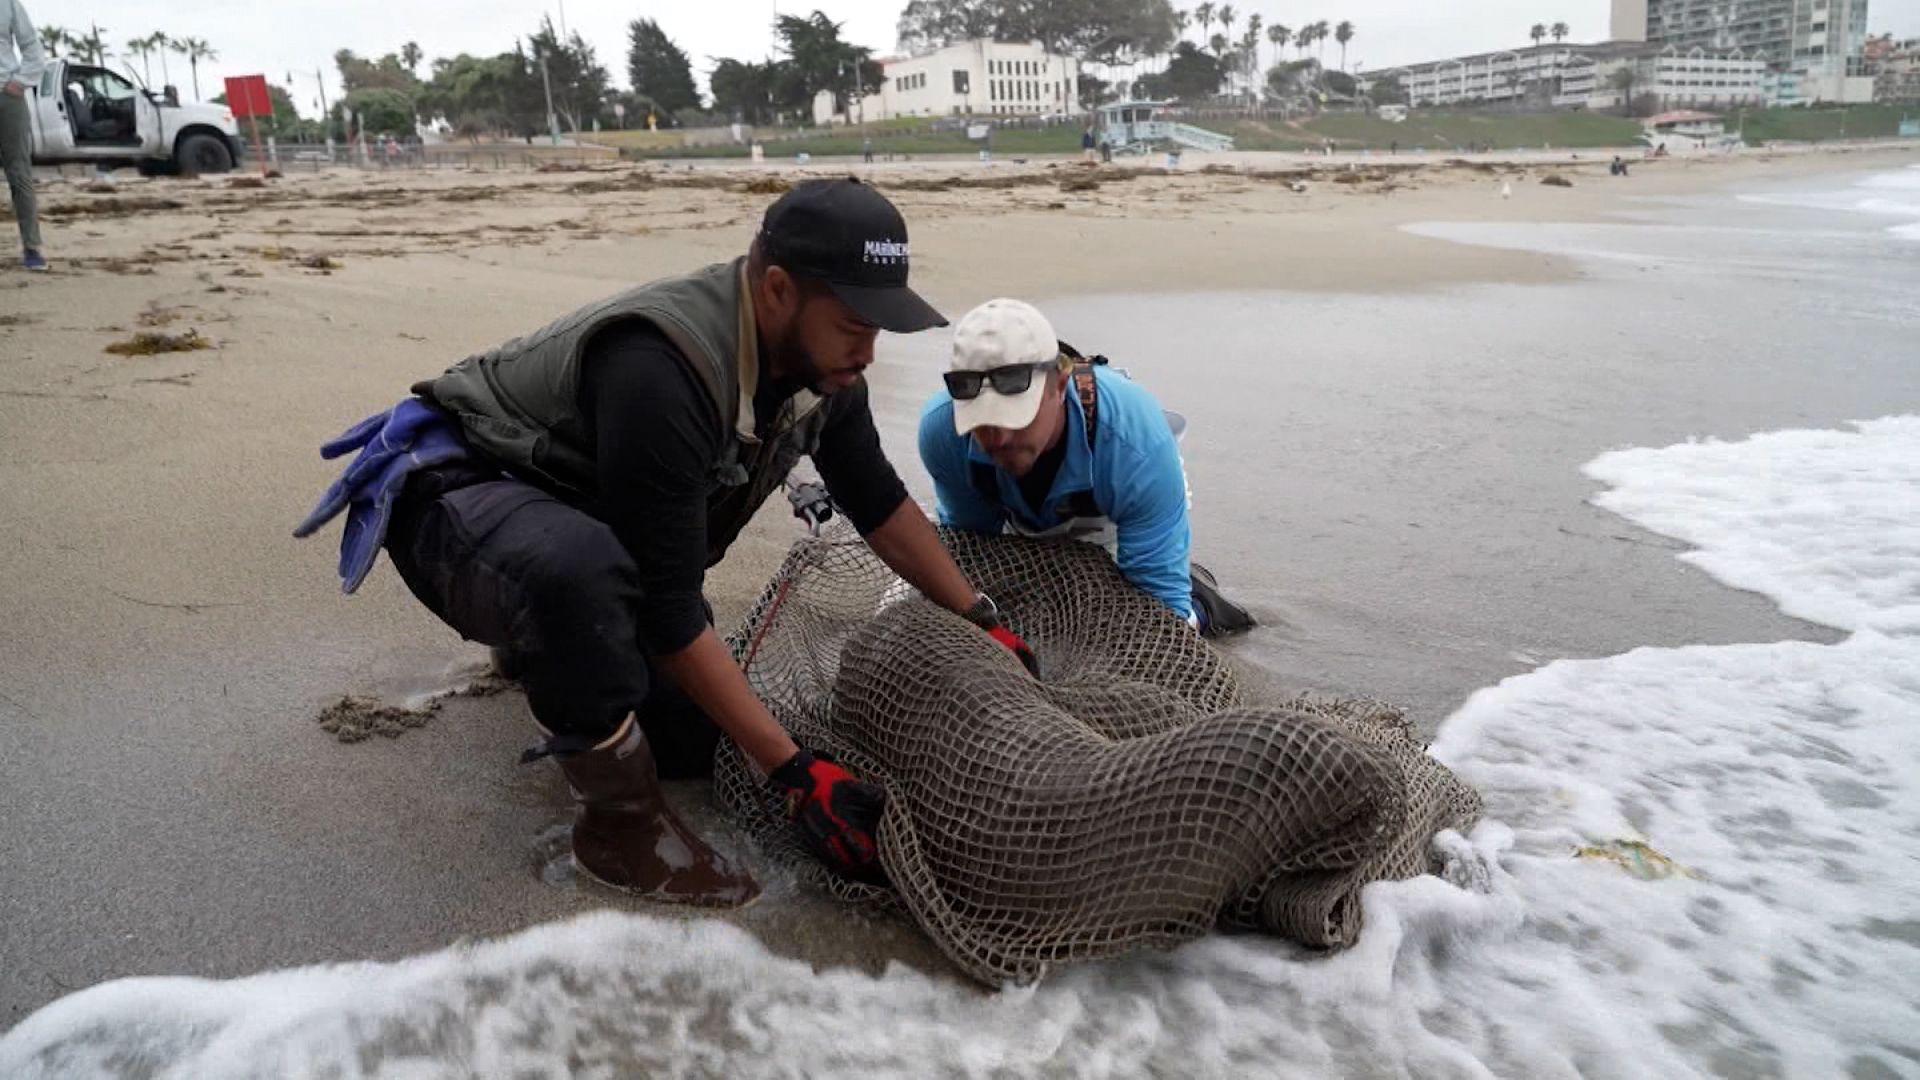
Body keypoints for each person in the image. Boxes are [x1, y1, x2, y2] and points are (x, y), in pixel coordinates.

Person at [295, 179, 1037, 907]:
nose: (868, 350)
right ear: (778, 290)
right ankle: (619, 833)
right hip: (453, 498)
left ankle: (549, 654)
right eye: (854, 324)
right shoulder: (663, 369)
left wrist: (980, 619)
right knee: (583, 577)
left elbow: (875, 499)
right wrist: (795, 774)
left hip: (566, 510)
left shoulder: (825, 372)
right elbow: (671, 609)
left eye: (878, 327)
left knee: (692, 745)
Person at [918, 299, 1252, 637]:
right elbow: (974, 547)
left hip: (1110, 492)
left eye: (1016, 417)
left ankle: (1204, 600)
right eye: (984, 422)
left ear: (1060, 385)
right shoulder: (944, 432)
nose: (1000, 438)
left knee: (1143, 616)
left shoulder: (1137, 446)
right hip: (1018, 505)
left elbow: (1163, 611)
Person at [1, 0, 47, 272]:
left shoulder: (8, 4)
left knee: (19, 173)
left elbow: (31, 45)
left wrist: (21, 81)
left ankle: (32, 247)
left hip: (8, 96)